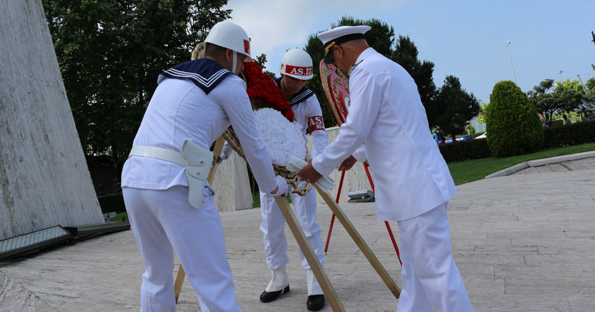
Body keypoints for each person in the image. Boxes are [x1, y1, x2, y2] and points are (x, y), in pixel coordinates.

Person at [298, 25, 473, 312]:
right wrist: (357, 154)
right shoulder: (390, 67)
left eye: (333, 62)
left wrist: (318, 166)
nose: (337, 69)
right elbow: (392, 126)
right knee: (415, 276)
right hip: (417, 187)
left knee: (438, 275)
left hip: (413, 189)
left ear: (338, 51)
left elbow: (355, 129)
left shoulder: (365, 72)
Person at [121, 20, 288, 312]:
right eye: (242, 61)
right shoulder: (229, 83)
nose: (243, 68)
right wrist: (272, 186)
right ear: (229, 55)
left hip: (134, 178)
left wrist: (218, 156)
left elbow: (190, 127)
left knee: (155, 278)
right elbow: (253, 144)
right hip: (176, 183)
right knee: (213, 284)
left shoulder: (171, 77)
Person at [258, 48, 328, 311]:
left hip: (301, 168)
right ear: (283, 73)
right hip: (270, 168)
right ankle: (278, 277)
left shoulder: (309, 99)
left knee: (308, 224)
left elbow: (319, 133)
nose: (297, 85)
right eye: (292, 79)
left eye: (302, 80)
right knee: (270, 225)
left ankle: (315, 281)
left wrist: (318, 165)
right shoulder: (265, 93)